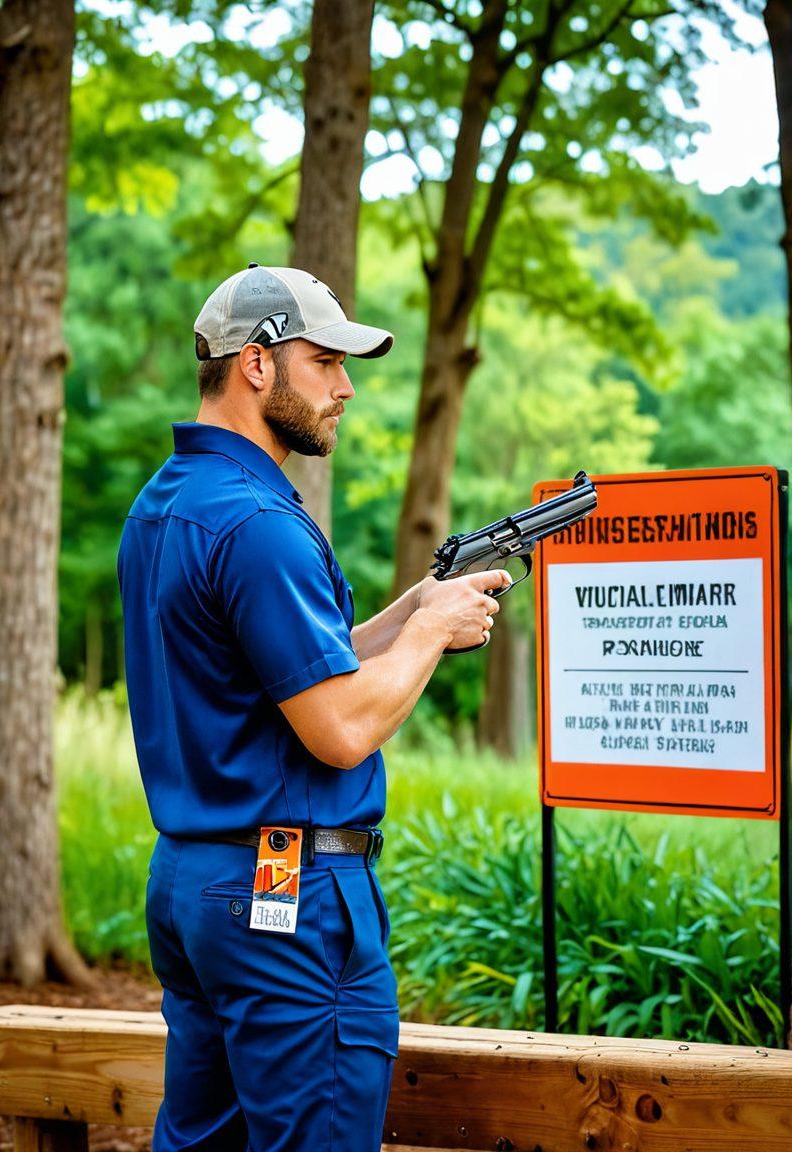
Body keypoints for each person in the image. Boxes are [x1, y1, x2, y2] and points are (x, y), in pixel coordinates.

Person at [117, 264, 511, 1152]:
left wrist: (412, 611)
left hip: (194, 882)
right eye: (326, 360)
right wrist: (429, 639)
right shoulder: (260, 523)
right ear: (258, 365)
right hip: (286, 895)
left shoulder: (167, 504)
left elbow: (290, 673)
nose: (346, 387)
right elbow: (338, 729)